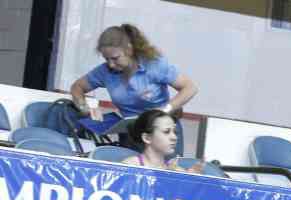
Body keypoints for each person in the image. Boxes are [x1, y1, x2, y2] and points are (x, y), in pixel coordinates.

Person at [69, 24, 198, 156]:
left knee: (168, 167)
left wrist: (165, 109)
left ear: (129, 49)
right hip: (132, 133)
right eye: (107, 59)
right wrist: (86, 108)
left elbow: (190, 88)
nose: (111, 64)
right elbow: (77, 87)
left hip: (163, 131)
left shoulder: (154, 65)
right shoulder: (105, 71)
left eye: (115, 58)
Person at [121, 109, 203, 173]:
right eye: (166, 132)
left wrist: (191, 181)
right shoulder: (129, 166)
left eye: (175, 132)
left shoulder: (177, 172)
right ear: (147, 138)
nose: (174, 137)